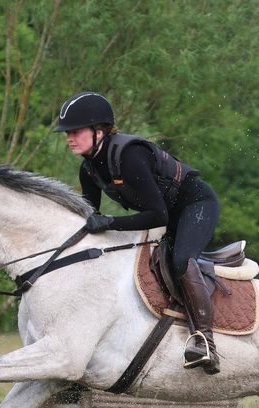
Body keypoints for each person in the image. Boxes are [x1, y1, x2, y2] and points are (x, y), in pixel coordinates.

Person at [55, 91, 221, 374]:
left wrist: (108, 222)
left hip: (195, 206)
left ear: (100, 131)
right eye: (67, 132)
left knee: (180, 261)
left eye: (76, 131)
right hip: (166, 214)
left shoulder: (130, 156)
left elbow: (157, 216)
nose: (69, 137)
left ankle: (205, 341)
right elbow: (90, 220)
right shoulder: (89, 170)